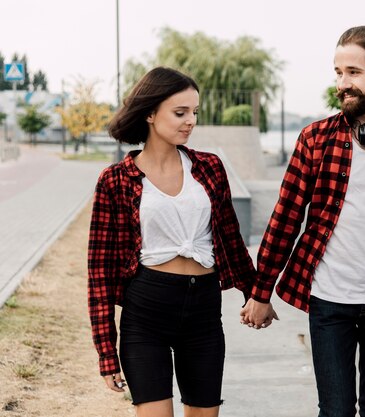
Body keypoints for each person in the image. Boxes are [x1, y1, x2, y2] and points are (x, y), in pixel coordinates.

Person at [240, 26, 365, 417]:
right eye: (338, 72)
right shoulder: (315, 140)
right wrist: (260, 292)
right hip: (330, 300)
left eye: (353, 72)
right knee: (334, 410)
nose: (342, 83)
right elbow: (285, 218)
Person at [88, 66, 277, 417]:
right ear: (149, 113)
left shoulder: (210, 168)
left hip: (203, 314)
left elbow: (231, 242)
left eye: (194, 112)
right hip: (146, 312)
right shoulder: (115, 180)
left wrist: (257, 294)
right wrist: (105, 352)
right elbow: (98, 274)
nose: (190, 121)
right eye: (180, 113)